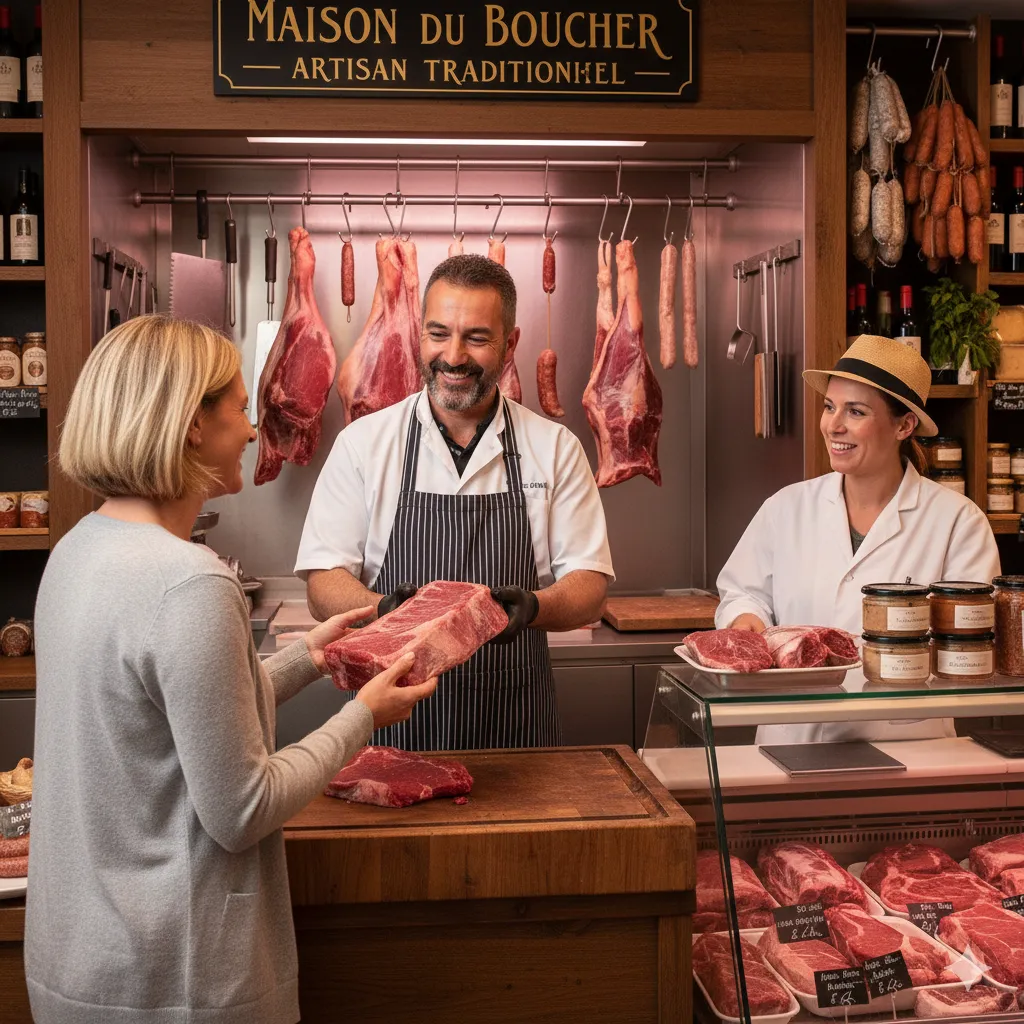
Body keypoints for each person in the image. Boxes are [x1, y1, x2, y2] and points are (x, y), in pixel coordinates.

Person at [25, 316, 437, 1024]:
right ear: (192, 424)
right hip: (175, 982)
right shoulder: (192, 582)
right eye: (241, 407)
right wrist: (363, 716)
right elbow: (242, 809)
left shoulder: (77, 550)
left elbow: (160, 720)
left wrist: (307, 659)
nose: (252, 431)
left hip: (78, 964)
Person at [297, 254, 614, 750]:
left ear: (510, 344)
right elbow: (322, 584)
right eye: (438, 333)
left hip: (515, 726)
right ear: (420, 334)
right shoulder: (364, 444)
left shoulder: (554, 448)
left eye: (477, 338)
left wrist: (532, 608)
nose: (453, 356)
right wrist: (384, 609)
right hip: (390, 728)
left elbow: (590, 586)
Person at [715, 335, 1000, 742]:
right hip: (792, 738)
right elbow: (743, 591)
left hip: (906, 745)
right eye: (830, 407)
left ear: (904, 425)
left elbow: (968, 646)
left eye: (856, 411)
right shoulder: (787, 507)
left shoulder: (958, 523)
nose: (834, 425)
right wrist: (747, 620)